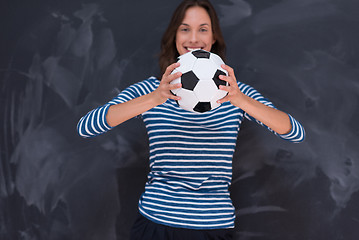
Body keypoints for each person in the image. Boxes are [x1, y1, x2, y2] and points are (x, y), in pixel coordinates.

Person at [77, 0, 305, 239]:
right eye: (185, 29)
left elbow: (294, 132)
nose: (193, 38)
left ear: (214, 37)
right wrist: (154, 98)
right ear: (174, 36)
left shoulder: (236, 92)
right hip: (156, 224)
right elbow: (86, 127)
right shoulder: (152, 90)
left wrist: (240, 100)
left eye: (203, 29)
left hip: (213, 227)